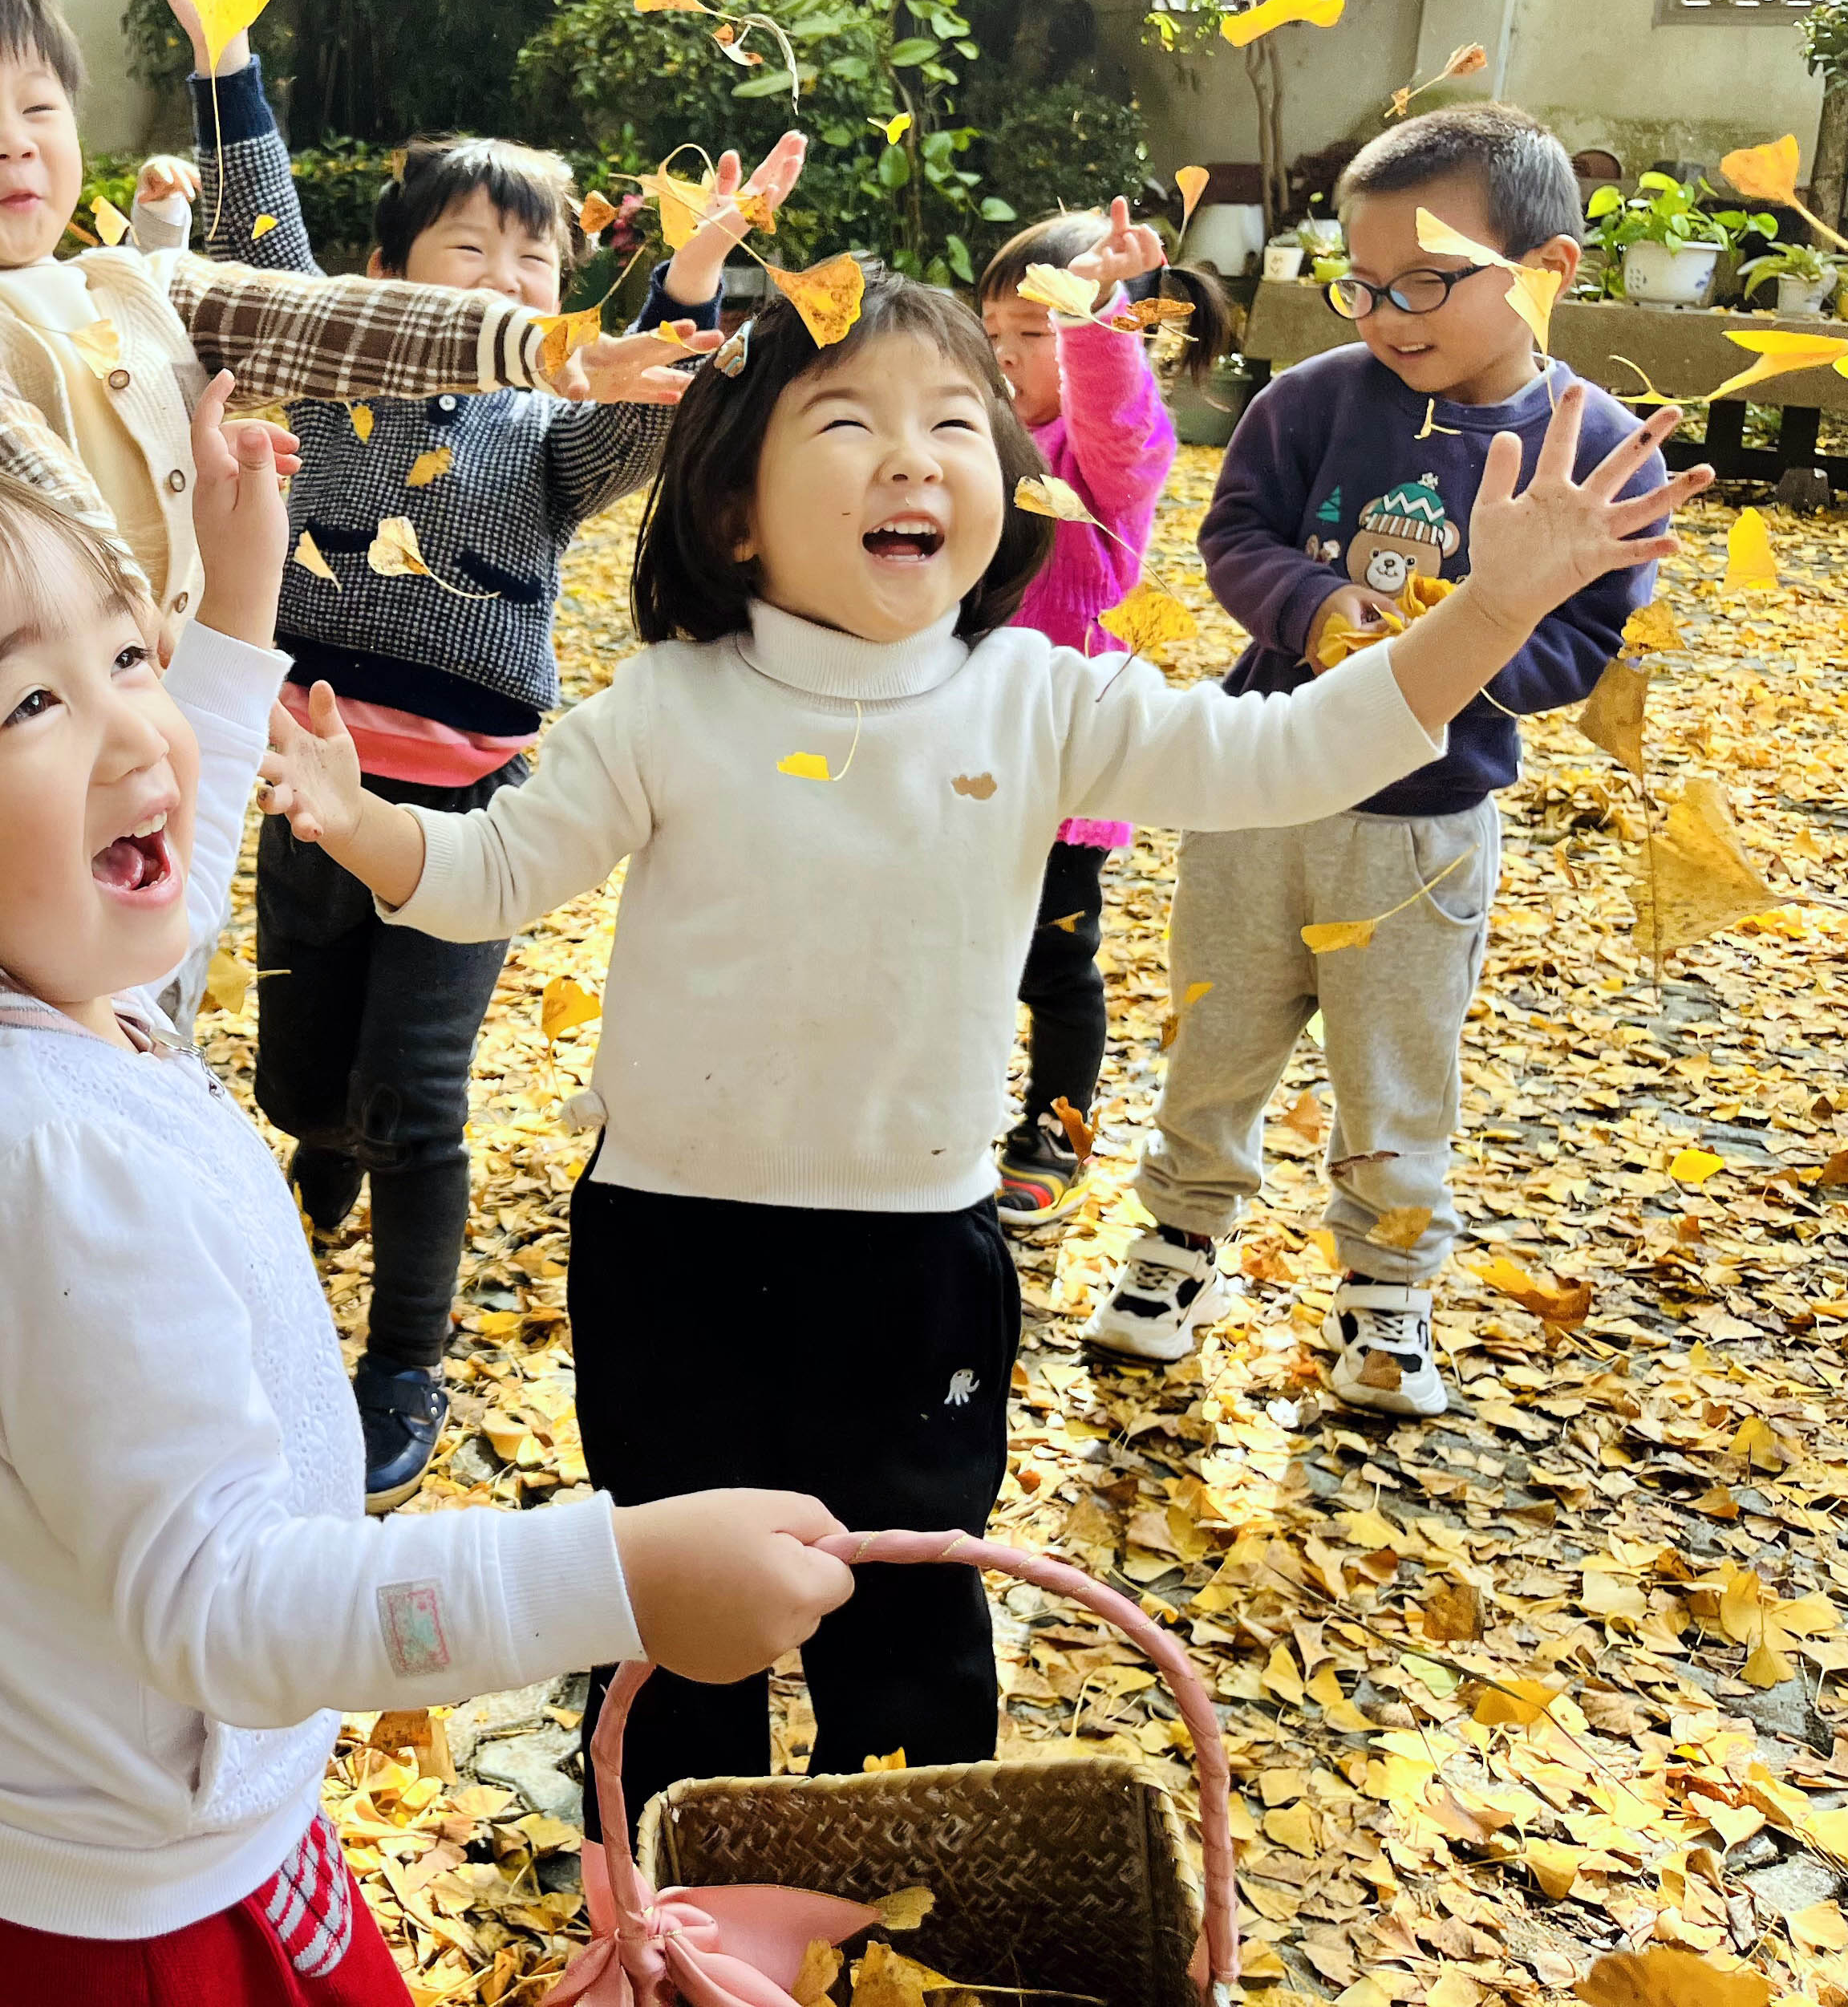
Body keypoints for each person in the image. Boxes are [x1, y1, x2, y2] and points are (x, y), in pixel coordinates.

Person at [256, 259, 1704, 1829]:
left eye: (957, 418)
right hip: (665, 1246)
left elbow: (1296, 751)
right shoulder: (667, 709)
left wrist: (1490, 608)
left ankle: (899, 1887)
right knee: (672, 1610)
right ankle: (672, 1885)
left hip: (915, 1259)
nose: (913, 453)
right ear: (734, 508)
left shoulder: (1040, 701)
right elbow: (490, 879)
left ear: (1004, 486)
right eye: (849, 420)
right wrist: (361, 826)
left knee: (911, 1613)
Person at [0, 375, 853, 2006]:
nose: (142, 733)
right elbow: (223, 1605)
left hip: (1, 1770)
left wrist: (229, 604)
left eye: (126, 654)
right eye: (33, 706)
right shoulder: (46, 1161)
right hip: (115, 1897)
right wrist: (616, 1578)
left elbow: (170, 846)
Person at [130, 0, 799, 1508]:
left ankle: (401, 1361)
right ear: (396, 274)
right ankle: (323, 1132)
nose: (510, 277)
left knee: (418, 1099)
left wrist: (689, 288)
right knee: (307, 1080)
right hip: (310, 786)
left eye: (536, 255)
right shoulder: (330, 370)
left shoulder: (543, 444)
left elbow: (634, 421)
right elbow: (262, 244)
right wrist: (226, 58)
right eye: (471, 249)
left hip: (466, 817)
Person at [1088, 103, 1672, 1418]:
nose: (1388, 313)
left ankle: (1386, 1292)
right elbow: (1234, 531)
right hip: (1259, 792)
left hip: (1423, 825)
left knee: (1397, 1063)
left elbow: (1577, 645)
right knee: (1216, 1028)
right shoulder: (1308, 402)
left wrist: (1460, 646)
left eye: (1425, 280)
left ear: (1547, 269)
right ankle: (1178, 1243)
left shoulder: (1595, 446)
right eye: (1361, 284)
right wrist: (1313, 606)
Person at [0, 0, 702, 635]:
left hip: (142, 706)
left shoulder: (130, 283)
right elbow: (15, 472)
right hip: (6, 718)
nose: (14, 140)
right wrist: (146, 653)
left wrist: (540, 344)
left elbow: (320, 318)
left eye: (38, 107)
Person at [966, 201, 1231, 1235]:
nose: (1010, 358)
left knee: (1056, 964)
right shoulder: (978, 438)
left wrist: (1093, 317)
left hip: (1067, 767)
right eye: (998, 335)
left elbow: (1115, 414)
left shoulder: (1107, 456)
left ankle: (1053, 1132)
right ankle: (951, 1109)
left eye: (1032, 336)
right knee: (954, 943)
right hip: (963, 747)